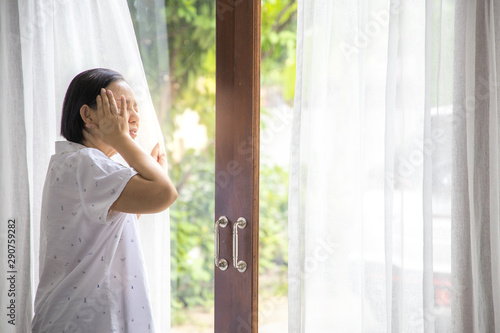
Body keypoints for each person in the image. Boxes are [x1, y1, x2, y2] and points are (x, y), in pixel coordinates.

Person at [31, 68, 177, 332]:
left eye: (136, 108)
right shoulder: (87, 164)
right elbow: (165, 194)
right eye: (121, 107)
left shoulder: (75, 163)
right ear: (87, 114)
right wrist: (121, 139)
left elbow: (114, 226)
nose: (134, 117)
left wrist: (149, 172)